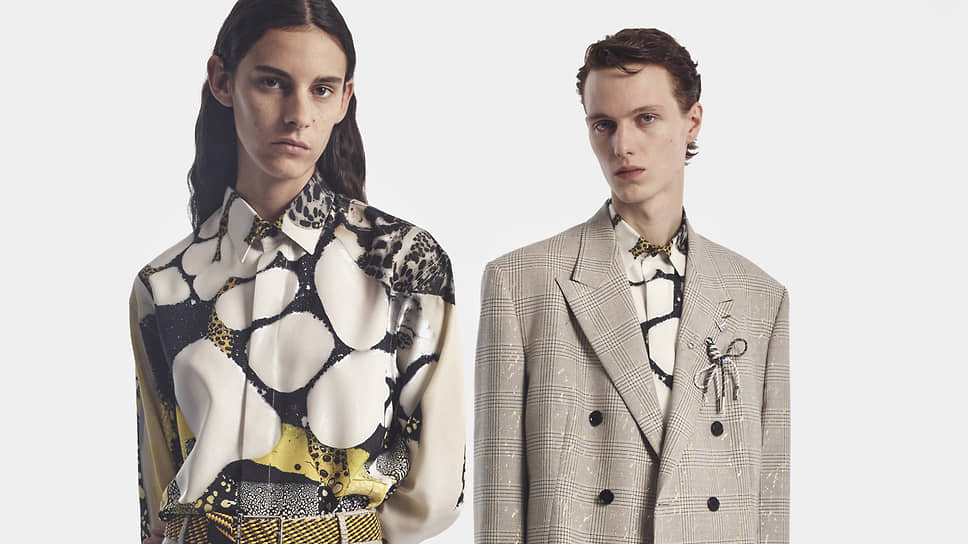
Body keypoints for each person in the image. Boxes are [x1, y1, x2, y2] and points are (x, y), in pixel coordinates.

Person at [131, 2, 465, 543]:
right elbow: (158, 497)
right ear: (222, 81)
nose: (298, 114)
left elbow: (437, 487)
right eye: (272, 82)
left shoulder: (401, 261)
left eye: (322, 89)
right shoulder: (163, 284)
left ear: (345, 99)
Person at [474, 29, 789, 543]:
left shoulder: (759, 297)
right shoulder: (522, 283)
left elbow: (769, 502)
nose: (622, 146)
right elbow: (499, 494)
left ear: (692, 121)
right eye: (604, 124)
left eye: (646, 118)